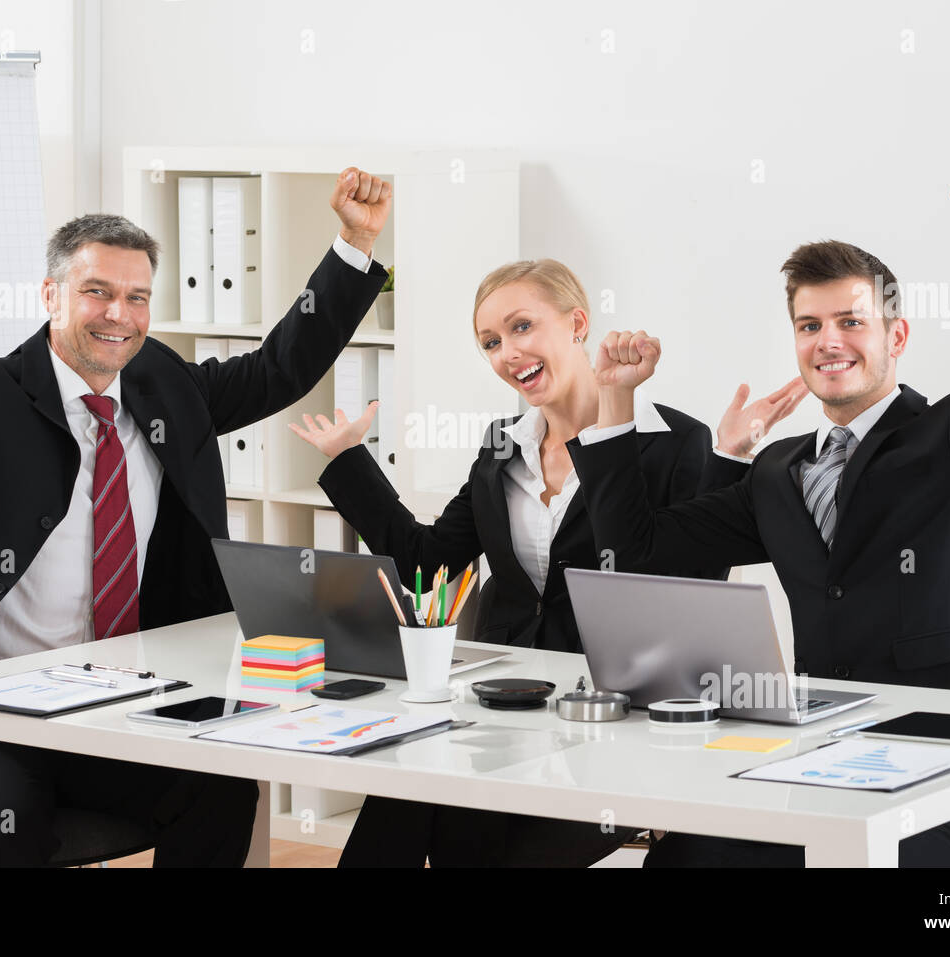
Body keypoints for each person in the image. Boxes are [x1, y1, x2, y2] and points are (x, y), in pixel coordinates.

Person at [0, 150, 392, 866]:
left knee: (220, 792)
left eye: (136, 297)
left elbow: (279, 367)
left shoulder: (162, 387)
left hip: (122, 715)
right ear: (50, 295)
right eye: (97, 291)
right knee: (10, 820)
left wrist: (356, 246)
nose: (118, 316)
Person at [567, 168, 950, 867]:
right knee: (683, 861)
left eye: (851, 321)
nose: (829, 341)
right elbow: (638, 556)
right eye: (810, 325)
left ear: (896, 334)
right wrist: (615, 403)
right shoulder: (777, 472)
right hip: (812, 764)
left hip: (942, 777)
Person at [290, 258, 806, 866]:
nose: (508, 352)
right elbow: (428, 562)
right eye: (490, 342)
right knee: (406, 793)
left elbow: (689, 592)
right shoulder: (501, 445)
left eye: (522, 327)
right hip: (503, 708)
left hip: (614, 721)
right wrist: (350, 460)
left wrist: (727, 461)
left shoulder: (675, 443)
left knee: (485, 844)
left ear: (577, 324)